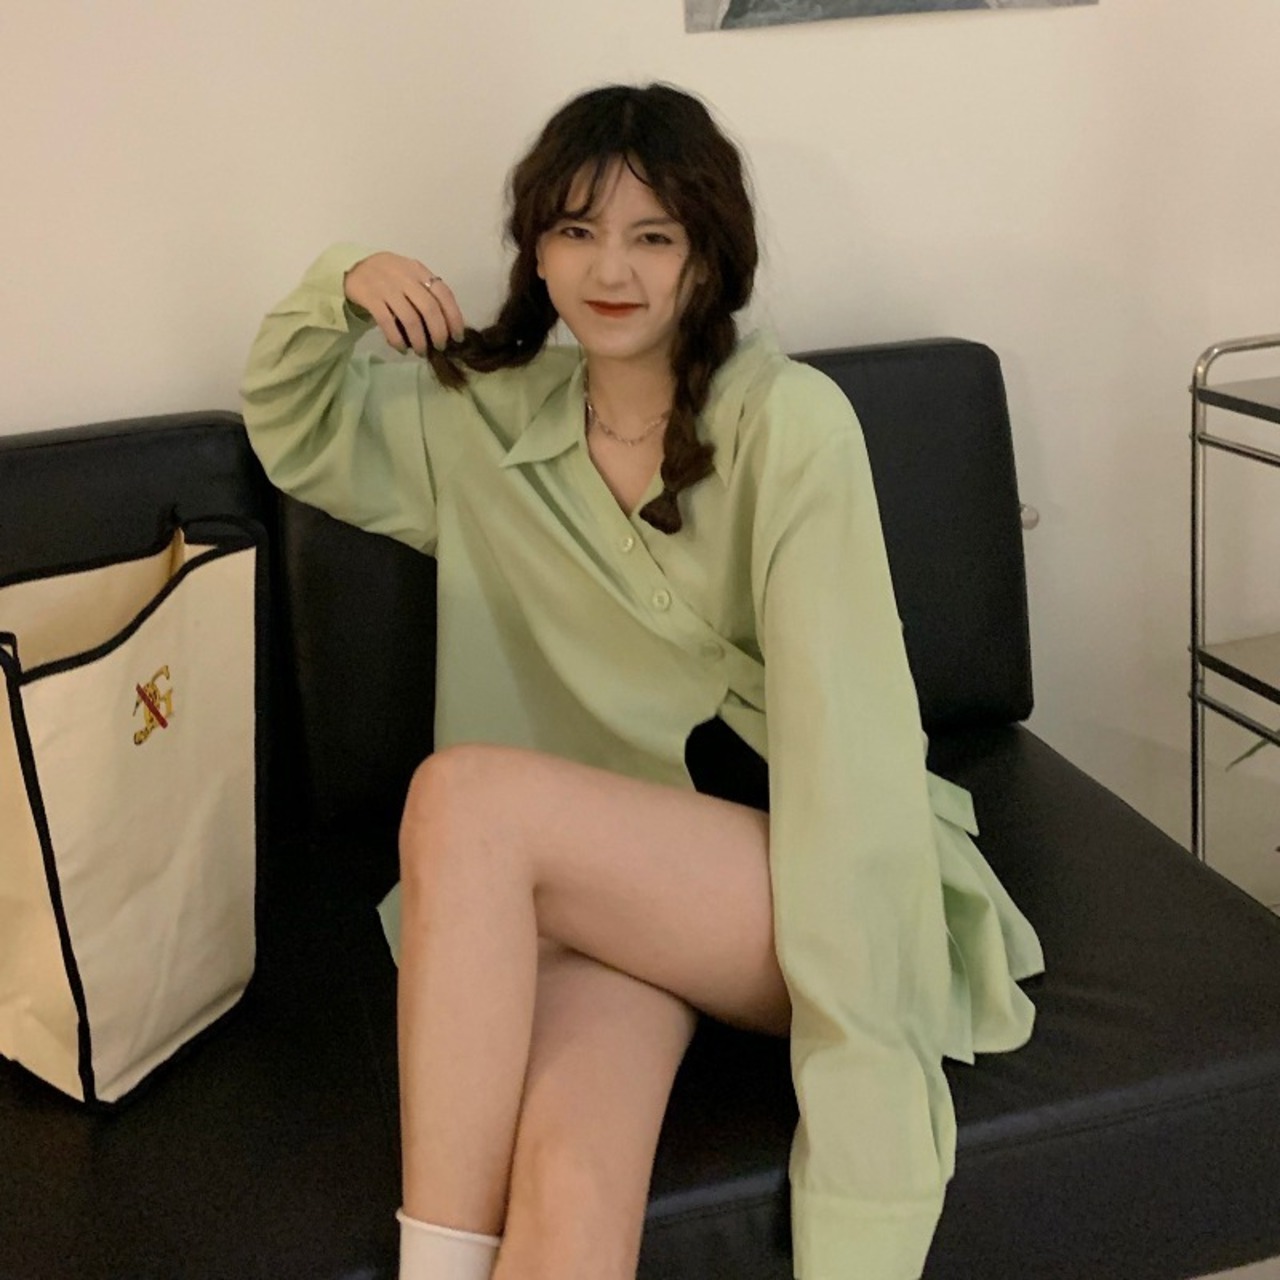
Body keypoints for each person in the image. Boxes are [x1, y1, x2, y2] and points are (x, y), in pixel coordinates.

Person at [240, 82, 1045, 1280]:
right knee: (567, 1189)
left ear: (705, 255)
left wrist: (862, 1088)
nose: (608, 267)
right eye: (575, 229)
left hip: (783, 880)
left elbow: (851, 744)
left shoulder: (790, 423)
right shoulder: (480, 419)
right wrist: (343, 283)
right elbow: (294, 422)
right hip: (589, 895)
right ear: (536, 250)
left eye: (652, 235)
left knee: (461, 798)